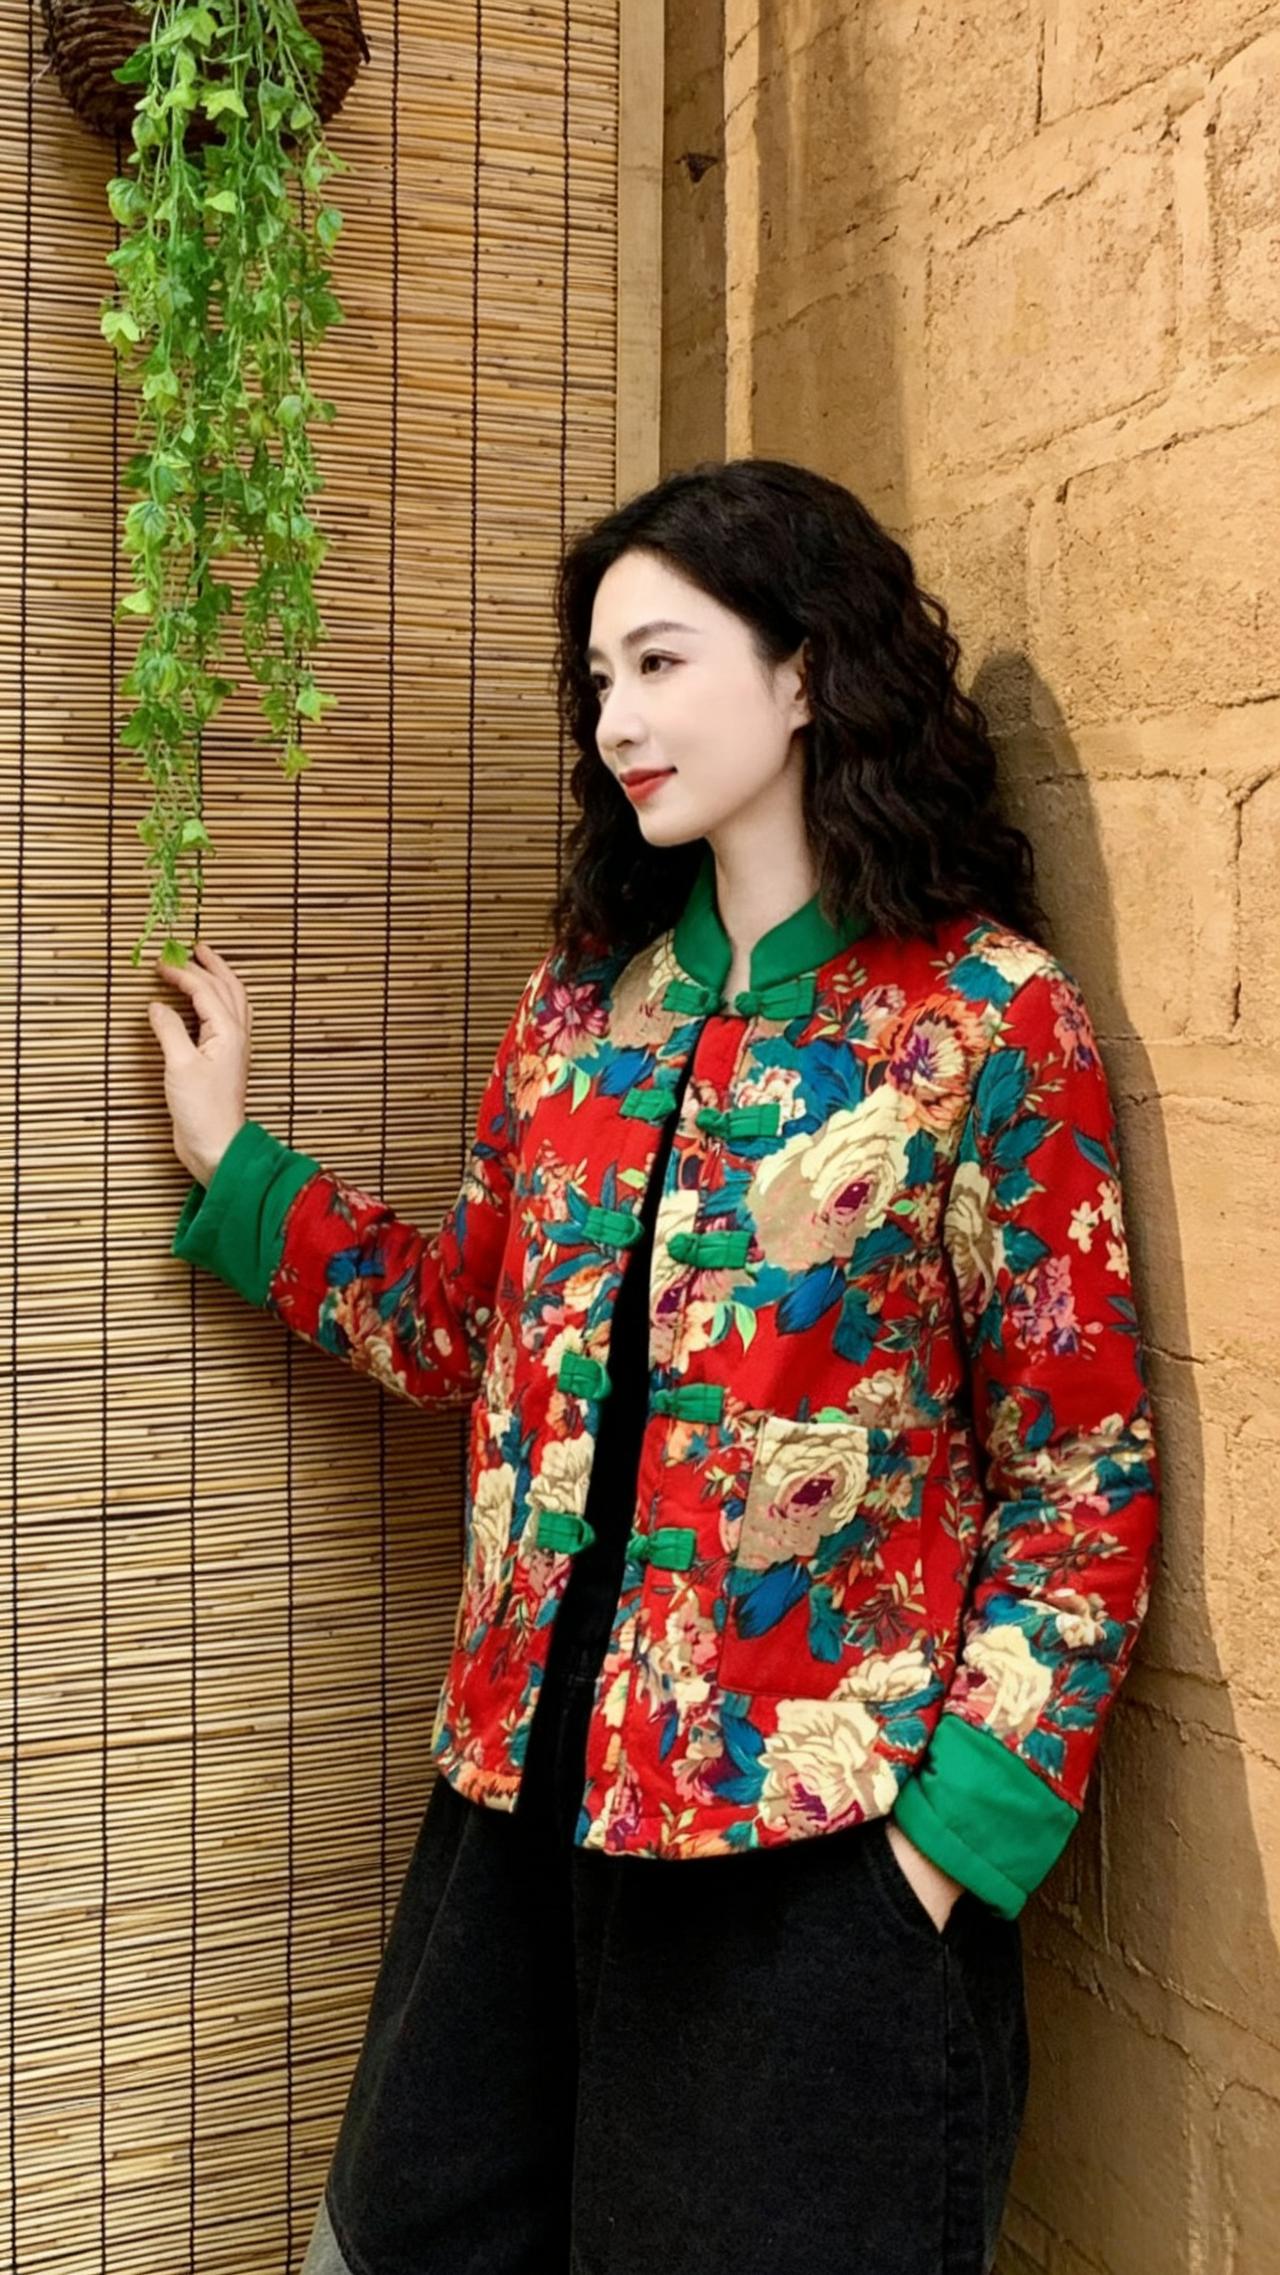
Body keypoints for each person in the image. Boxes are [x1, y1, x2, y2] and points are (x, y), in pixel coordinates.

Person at [149, 457, 1161, 2275]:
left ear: (805, 671)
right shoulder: (581, 1008)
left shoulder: (987, 1021)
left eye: (662, 662)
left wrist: (939, 1861)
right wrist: (240, 1172)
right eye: (600, 677)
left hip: (819, 1867)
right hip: (515, 1822)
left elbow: (1081, 1479)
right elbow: (466, 1328)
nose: (616, 717)